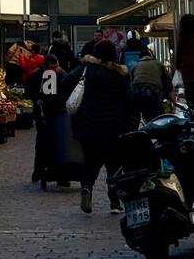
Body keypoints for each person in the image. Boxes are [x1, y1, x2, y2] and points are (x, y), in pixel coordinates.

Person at [61, 38, 134, 214]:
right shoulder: (119, 74)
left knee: (90, 161)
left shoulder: (85, 69)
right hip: (115, 126)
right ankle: (115, 202)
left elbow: (66, 83)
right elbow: (129, 99)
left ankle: (86, 188)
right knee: (114, 165)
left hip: (88, 126)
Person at [26, 54, 72, 187]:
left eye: (57, 67)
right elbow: (30, 92)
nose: (56, 70)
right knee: (43, 143)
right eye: (53, 67)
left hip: (59, 113)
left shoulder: (62, 75)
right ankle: (40, 171)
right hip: (44, 114)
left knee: (57, 143)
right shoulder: (37, 76)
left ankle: (59, 174)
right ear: (45, 66)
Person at [130, 47, 172, 122]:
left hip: (137, 91)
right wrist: (168, 93)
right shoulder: (158, 64)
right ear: (150, 56)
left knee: (142, 110)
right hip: (153, 90)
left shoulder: (135, 66)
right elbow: (167, 79)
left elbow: (131, 82)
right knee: (156, 113)